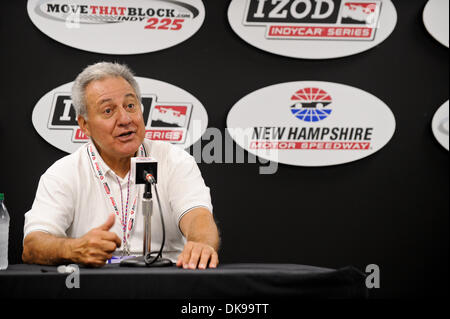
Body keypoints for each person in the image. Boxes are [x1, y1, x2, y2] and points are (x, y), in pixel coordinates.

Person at [22, 62, 220, 269]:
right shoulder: (64, 174)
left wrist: (201, 244)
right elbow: (33, 245)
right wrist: (74, 249)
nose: (125, 119)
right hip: (95, 285)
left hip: (166, 279)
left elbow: (198, 217)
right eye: (108, 110)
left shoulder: (174, 161)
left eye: (130, 106)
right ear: (85, 125)